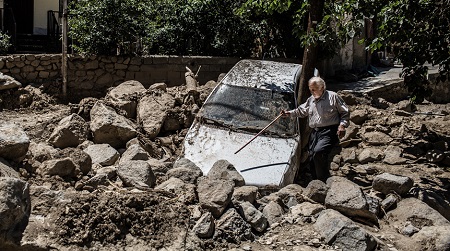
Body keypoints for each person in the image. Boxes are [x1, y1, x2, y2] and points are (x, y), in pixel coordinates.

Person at [281, 76, 349, 182]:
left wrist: (342, 125)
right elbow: (301, 111)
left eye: (314, 89)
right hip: (315, 132)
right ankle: (316, 182)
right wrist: (288, 113)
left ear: (322, 87)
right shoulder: (311, 100)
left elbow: (344, 112)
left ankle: (324, 180)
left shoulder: (333, 97)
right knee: (312, 157)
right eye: (310, 89)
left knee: (319, 152)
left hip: (329, 131)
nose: (311, 91)